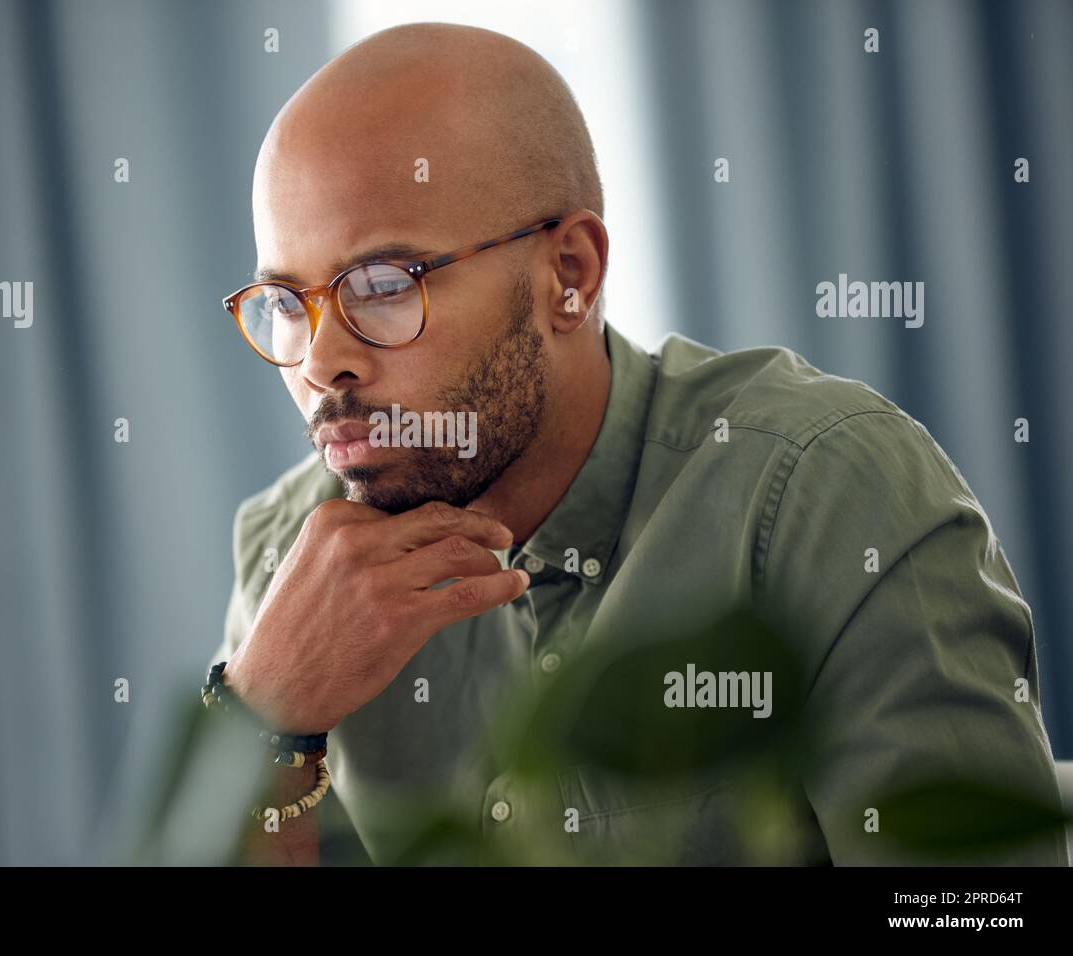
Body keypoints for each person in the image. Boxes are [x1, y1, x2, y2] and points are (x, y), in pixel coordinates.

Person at [205, 21, 1067, 866]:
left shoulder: (831, 495)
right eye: (286, 304)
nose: (321, 362)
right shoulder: (295, 551)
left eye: (384, 285)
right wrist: (260, 724)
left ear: (569, 276)